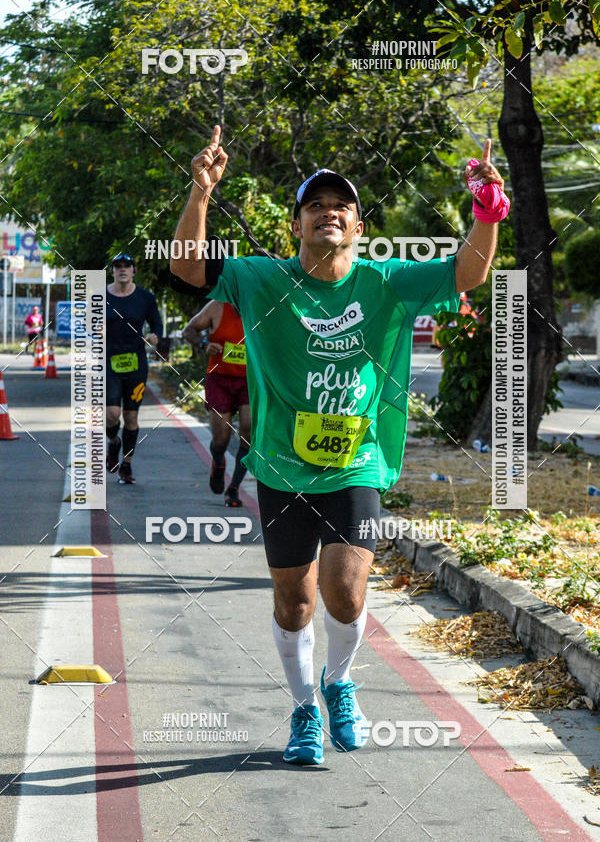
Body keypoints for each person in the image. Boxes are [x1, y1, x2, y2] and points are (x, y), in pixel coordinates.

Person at [170, 125, 507, 766]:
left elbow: (468, 270)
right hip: (281, 465)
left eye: (341, 207)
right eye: (316, 206)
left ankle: (339, 682)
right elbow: (188, 266)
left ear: (357, 227)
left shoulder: (388, 282)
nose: (329, 212)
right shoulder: (260, 279)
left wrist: (486, 209)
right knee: (293, 601)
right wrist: (201, 191)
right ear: (297, 224)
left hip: (357, 462)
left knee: (345, 593)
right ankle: (303, 711)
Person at [182, 299, 250, 507]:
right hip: (219, 378)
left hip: (250, 380)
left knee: (248, 433)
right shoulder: (216, 306)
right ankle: (218, 462)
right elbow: (188, 330)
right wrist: (204, 343)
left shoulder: (260, 304)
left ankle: (234, 488)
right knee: (220, 438)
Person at [106, 252, 163, 484]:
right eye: (117, 266)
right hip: (108, 363)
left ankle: (126, 465)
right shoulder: (100, 297)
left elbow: (157, 323)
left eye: (127, 266)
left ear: (133, 270)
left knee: (131, 416)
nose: (122, 269)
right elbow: (87, 323)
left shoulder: (145, 297)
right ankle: (113, 443)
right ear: (112, 271)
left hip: (136, 364)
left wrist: (154, 335)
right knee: (111, 414)